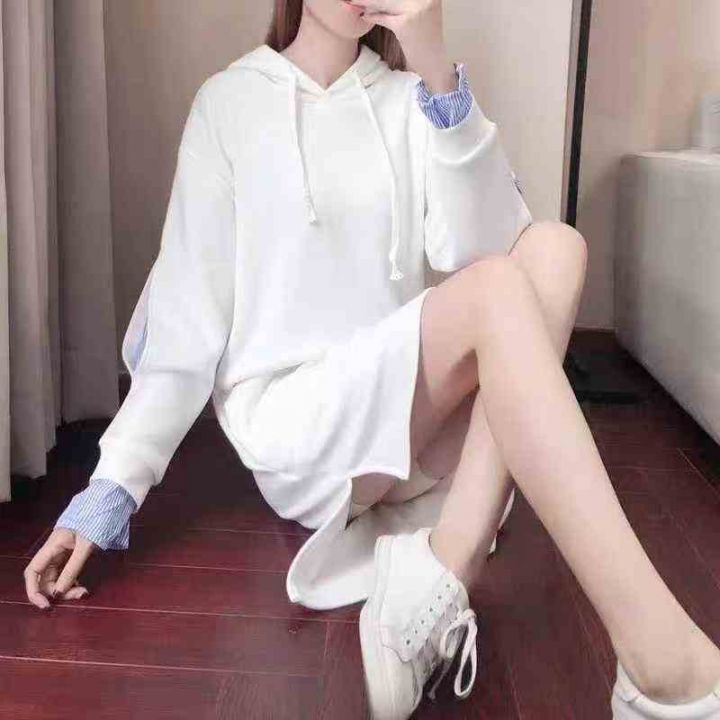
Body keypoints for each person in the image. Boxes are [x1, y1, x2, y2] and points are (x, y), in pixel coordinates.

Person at [23, 1, 720, 718]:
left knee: (554, 248)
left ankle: (441, 572)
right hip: (299, 427)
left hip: (405, 424)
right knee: (497, 290)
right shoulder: (228, 103)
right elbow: (184, 322)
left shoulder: (409, 97)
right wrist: (110, 490)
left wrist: (436, 69)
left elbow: (491, 247)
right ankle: (662, 663)